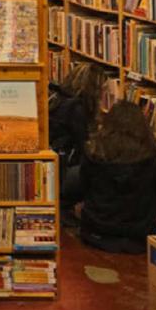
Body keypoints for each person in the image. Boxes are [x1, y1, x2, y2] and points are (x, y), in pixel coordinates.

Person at [76, 101, 156, 253]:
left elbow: (83, 187)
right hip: (139, 235)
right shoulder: (151, 156)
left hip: (97, 231)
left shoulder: (94, 152)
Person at [46, 62, 107, 208]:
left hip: (54, 166)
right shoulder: (76, 110)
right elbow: (83, 146)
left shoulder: (58, 98)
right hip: (64, 171)